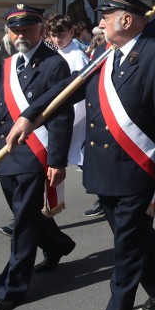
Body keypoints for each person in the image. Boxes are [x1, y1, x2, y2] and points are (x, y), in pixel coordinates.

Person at [6, 0, 155, 310]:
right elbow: (64, 92)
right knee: (130, 235)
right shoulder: (105, 56)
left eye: (105, 16)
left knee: (125, 252)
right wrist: (29, 115)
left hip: (138, 170)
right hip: (103, 170)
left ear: (125, 19)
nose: (99, 22)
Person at [0, 4, 76, 310]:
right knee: (25, 213)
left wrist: (57, 161)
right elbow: (1, 113)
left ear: (40, 30)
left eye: (27, 28)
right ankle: (58, 243)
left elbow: (62, 115)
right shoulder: (8, 65)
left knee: (22, 222)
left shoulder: (54, 64)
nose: (21, 34)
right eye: (15, 29)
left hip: (36, 153)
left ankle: (12, 288)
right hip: (9, 152)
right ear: (8, 32)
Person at [46, 13, 100, 217]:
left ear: (70, 33)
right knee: (78, 159)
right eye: (53, 35)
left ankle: (104, 196)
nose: (57, 39)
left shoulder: (77, 57)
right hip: (61, 116)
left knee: (84, 159)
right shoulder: (56, 55)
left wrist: (71, 121)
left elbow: (80, 93)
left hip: (77, 116)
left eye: (61, 34)